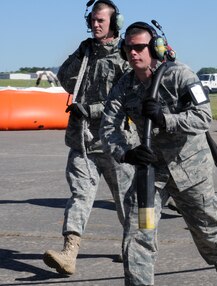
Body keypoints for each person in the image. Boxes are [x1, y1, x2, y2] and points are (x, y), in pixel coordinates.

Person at [100, 22, 217, 286]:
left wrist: (165, 119)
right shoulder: (124, 86)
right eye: (128, 48)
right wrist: (126, 154)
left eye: (139, 47)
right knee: (139, 231)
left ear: (155, 48)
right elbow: (108, 128)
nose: (133, 53)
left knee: (207, 229)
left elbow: (203, 117)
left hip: (190, 170)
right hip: (152, 173)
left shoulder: (180, 75)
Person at [43, 0, 136, 275]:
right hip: (83, 141)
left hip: (116, 141)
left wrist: (93, 109)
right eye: (92, 20)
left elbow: (130, 98)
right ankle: (69, 252)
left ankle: (134, 246)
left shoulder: (125, 56)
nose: (95, 25)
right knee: (79, 196)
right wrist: (80, 54)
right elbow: (64, 78)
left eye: (101, 21)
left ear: (114, 23)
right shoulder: (86, 52)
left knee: (127, 200)